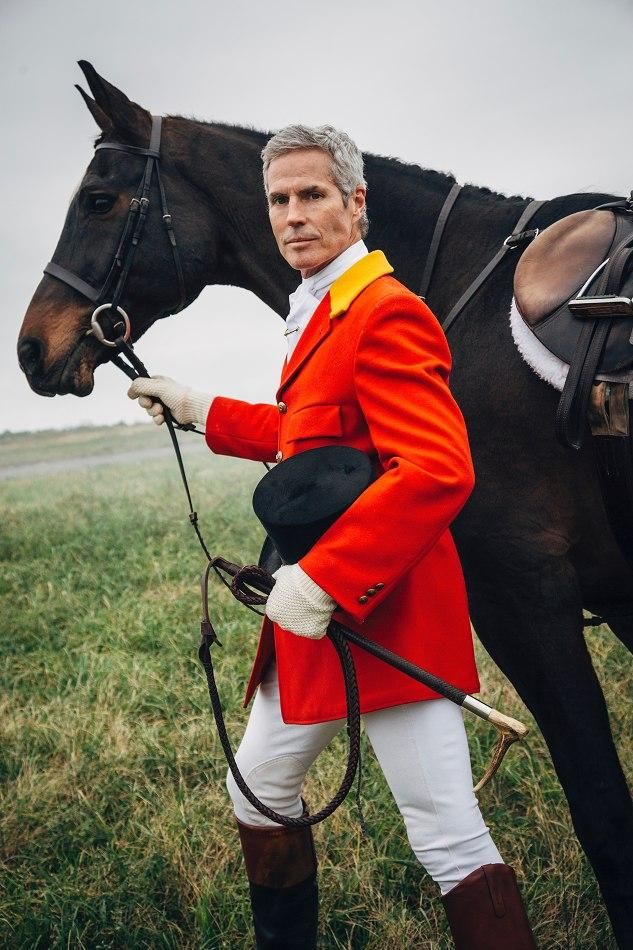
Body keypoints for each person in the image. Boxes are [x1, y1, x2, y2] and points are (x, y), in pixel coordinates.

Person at [128, 125, 536, 949]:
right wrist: (200, 408)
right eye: (278, 199)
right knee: (258, 791)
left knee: (447, 839)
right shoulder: (319, 307)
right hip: (311, 619)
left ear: (355, 203)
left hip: (384, 616)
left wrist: (323, 582)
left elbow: (436, 469)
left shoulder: (383, 311)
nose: (292, 215)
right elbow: (314, 438)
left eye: (311, 195)